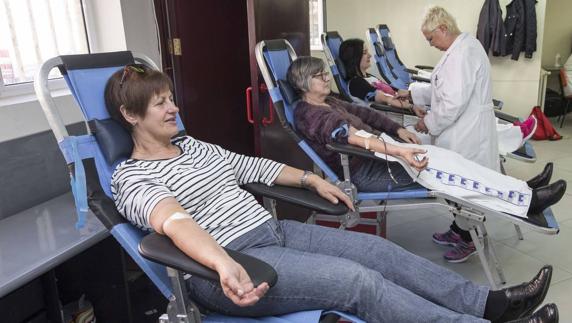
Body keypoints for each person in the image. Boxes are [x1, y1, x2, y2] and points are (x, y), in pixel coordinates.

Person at [105, 64, 559, 322]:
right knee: (357, 281)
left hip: (274, 232)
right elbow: (175, 222)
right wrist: (223, 262)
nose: (174, 107)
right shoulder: (129, 177)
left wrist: (310, 179)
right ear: (129, 114)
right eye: (161, 102)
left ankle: (487, 303)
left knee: (378, 252)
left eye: (171, 97)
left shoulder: (191, 144)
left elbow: (251, 166)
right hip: (230, 267)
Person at [289, 55, 565, 218]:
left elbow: (370, 116)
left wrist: (398, 131)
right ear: (303, 83)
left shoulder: (330, 102)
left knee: (452, 158)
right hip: (365, 169)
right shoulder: (308, 112)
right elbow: (346, 136)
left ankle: (523, 189)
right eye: (319, 76)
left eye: (325, 73)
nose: (326, 78)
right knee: (445, 170)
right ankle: (526, 203)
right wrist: (399, 151)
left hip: (383, 154)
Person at [396, 6, 546, 261]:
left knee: (464, 186)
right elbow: (441, 87)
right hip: (464, 129)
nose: (431, 45)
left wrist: (428, 123)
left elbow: (452, 102)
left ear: (442, 29)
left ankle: (470, 240)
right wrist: (412, 94)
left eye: (431, 38)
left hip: (466, 132)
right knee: (458, 186)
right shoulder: (459, 49)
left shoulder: (463, 53)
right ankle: (459, 230)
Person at [337, 38, 537, 155]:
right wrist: (408, 106)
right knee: (460, 127)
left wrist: (410, 101)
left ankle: (513, 131)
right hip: (398, 125)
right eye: (365, 53)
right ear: (355, 58)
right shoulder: (356, 84)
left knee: (467, 119)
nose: (370, 55)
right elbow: (384, 99)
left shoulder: (369, 76)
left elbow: (393, 94)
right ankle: (513, 135)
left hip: (406, 116)